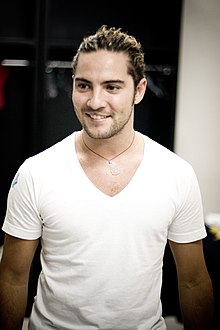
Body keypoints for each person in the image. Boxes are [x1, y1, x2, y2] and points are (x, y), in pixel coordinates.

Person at [0, 25, 214, 330]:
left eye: (112, 87)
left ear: (138, 90)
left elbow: (193, 282)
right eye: (84, 85)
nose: (95, 101)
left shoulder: (177, 174)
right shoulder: (36, 173)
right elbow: (11, 277)